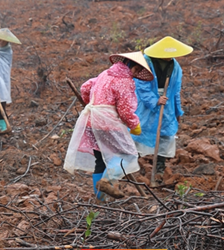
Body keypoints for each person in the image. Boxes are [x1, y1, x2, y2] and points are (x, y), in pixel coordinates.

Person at [63, 51, 154, 200]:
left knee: (100, 160)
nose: (135, 73)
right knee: (128, 154)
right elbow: (125, 111)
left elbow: (85, 87)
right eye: (136, 70)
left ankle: (100, 201)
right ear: (131, 66)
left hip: (92, 119)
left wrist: (91, 102)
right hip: (108, 121)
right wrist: (134, 125)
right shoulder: (125, 81)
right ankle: (107, 180)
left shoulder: (105, 74)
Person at [132, 37, 192, 182]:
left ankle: (160, 166)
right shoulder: (146, 62)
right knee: (141, 130)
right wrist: (155, 100)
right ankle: (135, 165)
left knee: (166, 132)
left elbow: (176, 90)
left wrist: (177, 111)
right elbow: (141, 87)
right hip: (146, 105)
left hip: (167, 104)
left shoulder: (175, 66)